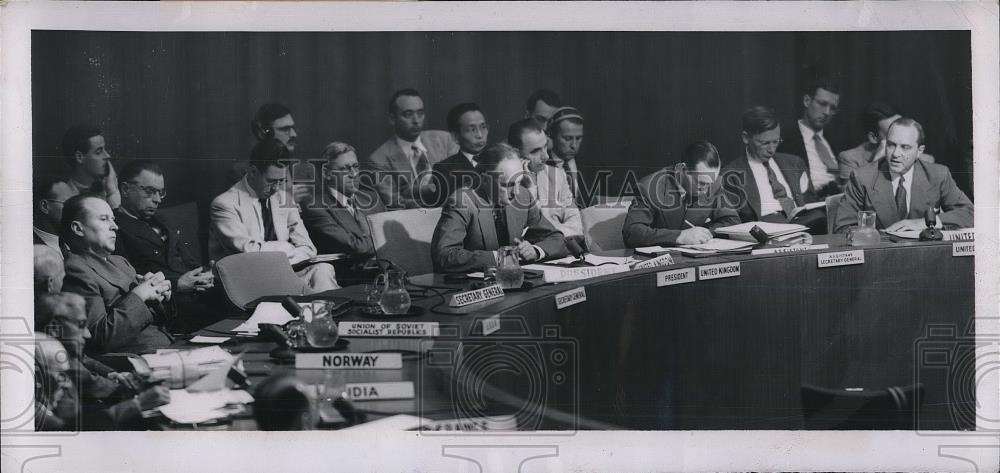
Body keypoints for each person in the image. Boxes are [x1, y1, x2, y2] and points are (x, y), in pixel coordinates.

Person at [209, 138, 339, 293]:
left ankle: (327, 313)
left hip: (285, 273)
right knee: (315, 296)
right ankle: (321, 311)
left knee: (324, 269)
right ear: (253, 171)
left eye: (281, 181)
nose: (276, 188)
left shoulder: (284, 198)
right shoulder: (224, 204)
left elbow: (308, 248)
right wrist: (287, 248)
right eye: (271, 181)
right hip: (247, 279)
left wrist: (281, 258)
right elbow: (249, 253)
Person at [36, 292, 171, 430]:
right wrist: (137, 404)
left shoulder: (58, 353)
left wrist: (112, 375)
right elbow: (71, 428)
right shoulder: (51, 364)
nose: (88, 334)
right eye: (81, 325)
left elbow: (85, 361)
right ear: (53, 329)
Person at [60, 194, 174, 354]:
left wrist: (159, 295)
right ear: (78, 228)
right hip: (135, 359)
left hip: (166, 345)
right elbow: (99, 339)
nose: (115, 226)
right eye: (104, 219)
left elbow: (155, 320)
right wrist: (139, 296)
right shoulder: (75, 269)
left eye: (113, 219)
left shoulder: (120, 261)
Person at [113, 160, 220, 330]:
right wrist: (178, 284)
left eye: (160, 192)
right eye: (149, 192)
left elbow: (187, 260)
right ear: (125, 189)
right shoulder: (114, 227)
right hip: (167, 306)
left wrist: (203, 273)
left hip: (195, 296)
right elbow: (126, 279)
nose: (157, 200)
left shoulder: (163, 220)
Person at [432, 143, 568, 273]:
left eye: (519, 182)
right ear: (485, 180)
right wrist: (501, 257)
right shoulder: (461, 201)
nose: (516, 192)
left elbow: (556, 238)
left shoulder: (523, 196)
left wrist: (536, 250)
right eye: (507, 185)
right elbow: (444, 256)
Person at [834, 118, 973, 233]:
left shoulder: (938, 175)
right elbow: (842, 228)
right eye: (891, 145)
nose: (895, 154)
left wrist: (927, 222)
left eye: (905, 147)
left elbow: (970, 214)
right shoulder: (862, 177)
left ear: (919, 151)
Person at [720, 106, 825, 233]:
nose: (771, 149)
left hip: (805, 228)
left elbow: (811, 203)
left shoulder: (795, 163)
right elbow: (730, 222)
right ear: (746, 138)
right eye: (764, 143)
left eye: (776, 142)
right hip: (765, 234)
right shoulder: (731, 175)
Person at [623, 141, 741, 247]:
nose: (706, 190)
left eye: (711, 182)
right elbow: (632, 232)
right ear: (681, 169)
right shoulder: (649, 187)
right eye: (701, 183)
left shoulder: (713, 184)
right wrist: (679, 236)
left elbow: (732, 221)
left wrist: (704, 233)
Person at [366, 88, 458, 209]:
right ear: (392, 119)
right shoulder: (379, 159)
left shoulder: (445, 140)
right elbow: (394, 202)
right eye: (408, 114)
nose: (416, 121)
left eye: (420, 113)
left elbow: (461, 183)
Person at [301, 142, 385, 260]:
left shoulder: (371, 198)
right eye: (345, 168)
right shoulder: (316, 206)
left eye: (355, 166)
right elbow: (358, 247)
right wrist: (388, 239)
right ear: (327, 173)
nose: (354, 174)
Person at [508, 118, 583, 237]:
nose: (546, 156)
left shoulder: (558, 175)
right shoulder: (505, 185)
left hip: (561, 251)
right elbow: (517, 235)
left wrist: (548, 234)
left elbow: (578, 228)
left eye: (545, 147)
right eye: (536, 151)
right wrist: (531, 189)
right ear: (516, 153)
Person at [837, 101, 936, 182]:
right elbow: (853, 202)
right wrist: (876, 163)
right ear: (873, 138)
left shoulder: (926, 161)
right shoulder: (849, 159)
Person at [779, 81, 842, 196]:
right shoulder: (784, 140)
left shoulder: (835, 140)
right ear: (807, 101)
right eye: (822, 104)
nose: (827, 112)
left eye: (832, 108)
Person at [433, 102, 489, 203]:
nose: (480, 135)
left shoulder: (499, 158)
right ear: (455, 137)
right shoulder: (444, 169)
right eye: (472, 130)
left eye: (483, 127)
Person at [61, 124, 121, 208]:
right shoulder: (64, 197)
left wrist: (112, 192)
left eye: (105, 149)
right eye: (99, 152)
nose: (107, 155)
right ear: (79, 157)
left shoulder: (115, 188)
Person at [545, 106, 591, 207]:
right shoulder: (542, 165)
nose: (574, 145)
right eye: (567, 138)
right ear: (552, 135)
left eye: (578, 138)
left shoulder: (590, 165)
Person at [33, 175, 76, 257]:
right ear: (44, 206)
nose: (74, 210)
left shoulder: (73, 242)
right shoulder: (29, 248)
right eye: (67, 204)